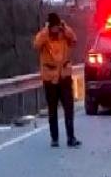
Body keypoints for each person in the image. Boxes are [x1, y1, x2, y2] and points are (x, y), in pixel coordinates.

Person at [34, 12, 81, 148]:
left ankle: (70, 137)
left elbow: (74, 40)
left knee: (69, 109)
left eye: (57, 27)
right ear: (50, 26)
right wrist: (45, 30)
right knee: (52, 110)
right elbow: (36, 45)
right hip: (50, 79)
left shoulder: (64, 35)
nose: (56, 30)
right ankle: (54, 138)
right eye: (53, 27)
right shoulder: (44, 37)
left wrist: (65, 28)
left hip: (64, 77)